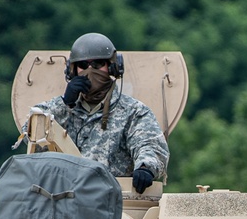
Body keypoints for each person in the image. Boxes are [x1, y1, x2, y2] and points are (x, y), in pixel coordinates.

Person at [38, 32, 169, 193]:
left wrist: (145, 167)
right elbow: (32, 135)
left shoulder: (132, 112)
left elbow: (149, 145)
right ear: (72, 71)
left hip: (112, 202)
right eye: (83, 66)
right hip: (61, 199)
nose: (91, 70)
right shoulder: (58, 110)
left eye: (98, 64)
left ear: (113, 67)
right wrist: (65, 103)